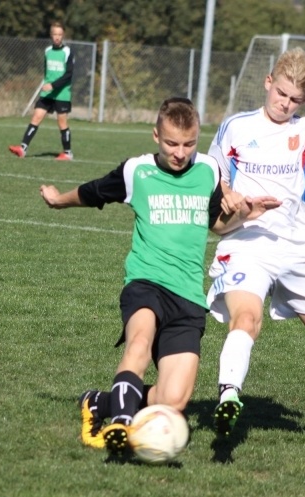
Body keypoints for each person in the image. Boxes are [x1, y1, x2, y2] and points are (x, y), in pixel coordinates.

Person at [39, 98, 280, 454]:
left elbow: (214, 223)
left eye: (188, 144)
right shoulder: (136, 171)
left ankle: (100, 403)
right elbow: (93, 193)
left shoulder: (209, 171)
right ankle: (121, 425)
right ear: (156, 136)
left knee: (174, 401)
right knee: (138, 343)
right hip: (145, 283)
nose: (180, 152)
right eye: (171, 144)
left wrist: (248, 215)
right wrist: (59, 199)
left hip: (187, 296)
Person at [206, 48, 305, 443]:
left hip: (295, 247)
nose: (285, 104)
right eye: (281, 94)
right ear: (268, 82)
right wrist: (228, 195)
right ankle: (228, 396)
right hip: (246, 241)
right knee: (247, 320)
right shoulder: (236, 127)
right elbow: (212, 172)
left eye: (295, 100)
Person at [9, 22, 75, 161]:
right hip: (48, 93)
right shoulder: (47, 51)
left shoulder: (68, 52)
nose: (57, 37)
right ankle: (23, 148)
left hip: (62, 93)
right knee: (36, 117)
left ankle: (68, 153)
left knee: (62, 122)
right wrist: (47, 84)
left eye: (60, 34)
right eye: (55, 34)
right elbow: (46, 72)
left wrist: (53, 85)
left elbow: (69, 74)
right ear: (51, 35)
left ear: (63, 36)